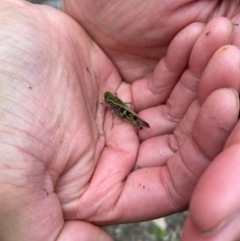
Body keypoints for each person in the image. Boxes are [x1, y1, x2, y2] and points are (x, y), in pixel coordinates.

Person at [0, 0, 239, 240]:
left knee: (126, 113)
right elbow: (108, 104)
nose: (106, 100)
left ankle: (138, 123)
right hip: (122, 107)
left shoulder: (112, 101)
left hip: (126, 112)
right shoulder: (109, 100)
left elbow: (114, 108)